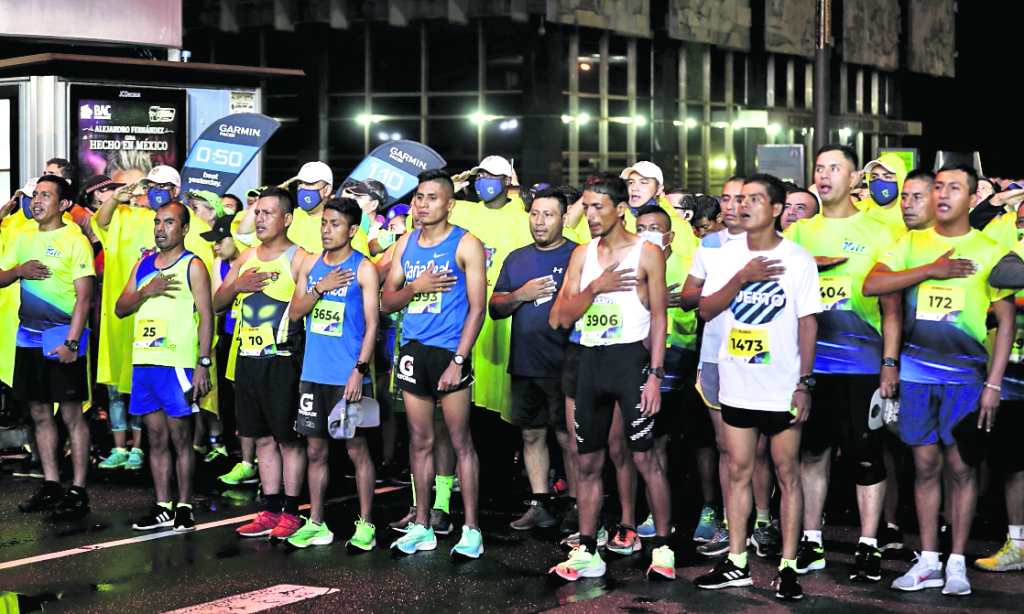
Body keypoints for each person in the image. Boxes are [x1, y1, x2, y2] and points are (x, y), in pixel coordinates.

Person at [863, 164, 1016, 596]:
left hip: (967, 378)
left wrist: (993, 384)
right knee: (925, 465)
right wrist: (931, 269)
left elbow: (1005, 322)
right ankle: (928, 559)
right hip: (915, 373)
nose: (944, 194)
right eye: (939, 187)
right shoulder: (911, 243)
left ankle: (956, 562)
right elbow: (874, 284)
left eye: (955, 188)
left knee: (960, 467)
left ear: (972, 198)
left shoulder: (989, 250)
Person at [693, 174, 821, 601]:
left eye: (755, 200)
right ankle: (737, 561)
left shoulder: (798, 259)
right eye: (740, 199)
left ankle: (787, 566)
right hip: (737, 383)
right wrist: (741, 278)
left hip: (781, 385)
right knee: (737, 472)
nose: (743, 206)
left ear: (777, 209)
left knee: (787, 472)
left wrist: (804, 383)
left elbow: (807, 323)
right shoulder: (726, 253)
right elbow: (706, 310)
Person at [548, 174, 675, 581]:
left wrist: (655, 374)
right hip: (589, 362)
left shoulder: (647, 252)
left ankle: (663, 547)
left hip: (630, 362)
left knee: (644, 458)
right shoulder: (582, 255)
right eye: (585, 207)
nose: (590, 215)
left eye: (598, 206)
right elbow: (558, 317)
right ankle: (588, 549)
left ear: (621, 209)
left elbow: (659, 318)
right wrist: (597, 287)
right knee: (586, 462)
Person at [784, 144, 900, 583]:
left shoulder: (879, 232)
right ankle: (811, 539)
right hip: (812, 364)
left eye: (836, 168)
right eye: (820, 167)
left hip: (863, 361)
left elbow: (892, 308)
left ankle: (868, 543)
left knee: (866, 454)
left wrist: (889, 363)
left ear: (855, 180)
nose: (826, 174)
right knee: (811, 453)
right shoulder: (798, 233)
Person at [381, 169, 487, 559]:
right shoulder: (406, 242)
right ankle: (422, 525)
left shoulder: (466, 244)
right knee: (420, 441)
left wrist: (459, 360)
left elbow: (479, 308)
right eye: (418, 198)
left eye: (430, 198)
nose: (421, 205)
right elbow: (386, 301)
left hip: (449, 352)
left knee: (460, 441)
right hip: (413, 351)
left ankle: (472, 529)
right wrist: (414, 288)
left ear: (449, 203)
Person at [682, 176, 777, 558]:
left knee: (759, 450)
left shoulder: (776, 245)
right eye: (726, 199)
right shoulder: (709, 244)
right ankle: (728, 522)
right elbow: (690, 297)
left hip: (762, 355)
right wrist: (723, 287)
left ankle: (765, 521)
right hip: (717, 356)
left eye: (742, 199)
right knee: (726, 447)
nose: (733, 206)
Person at [92, 165, 215, 454]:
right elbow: (101, 222)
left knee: (181, 424)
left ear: (176, 191)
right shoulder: (132, 217)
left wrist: (203, 356)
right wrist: (115, 198)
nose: (154, 192)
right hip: (140, 334)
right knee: (143, 407)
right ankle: (137, 454)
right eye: (150, 186)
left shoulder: (194, 227)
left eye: (161, 186)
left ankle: (188, 479)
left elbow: (205, 305)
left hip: (180, 343)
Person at [214, 187, 312, 541]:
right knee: (261, 439)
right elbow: (217, 302)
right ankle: (269, 509)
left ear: (287, 219)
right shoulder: (246, 257)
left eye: (268, 213)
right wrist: (238, 284)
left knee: (288, 439)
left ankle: (291, 511)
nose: (260, 218)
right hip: (248, 358)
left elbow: (311, 305)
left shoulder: (300, 258)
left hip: (282, 360)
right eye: (257, 212)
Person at [0, 175, 95, 520]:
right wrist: (18, 270)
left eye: (45, 196)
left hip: (62, 336)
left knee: (71, 414)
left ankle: (79, 489)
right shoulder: (22, 235)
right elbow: (0, 276)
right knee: (39, 412)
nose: (37, 201)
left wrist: (72, 341)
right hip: (28, 335)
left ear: (64, 204)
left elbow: (85, 298)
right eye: (35, 195)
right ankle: (52, 484)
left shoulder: (75, 240)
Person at [288, 198, 380, 550]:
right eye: (324, 223)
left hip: (348, 376)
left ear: (353, 230)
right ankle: (316, 523)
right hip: (314, 374)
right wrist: (319, 287)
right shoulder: (312, 265)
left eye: (335, 224)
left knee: (356, 450)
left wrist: (359, 370)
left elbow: (373, 325)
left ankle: (367, 524)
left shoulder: (364, 269)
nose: (326, 229)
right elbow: (296, 312)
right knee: (315, 452)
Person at [116, 202, 213, 533]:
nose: (160, 228)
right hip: (145, 361)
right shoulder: (143, 264)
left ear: (184, 229)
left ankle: (184, 505)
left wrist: (203, 362)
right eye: (158, 222)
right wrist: (147, 290)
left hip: (177, 363)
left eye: (169, 222)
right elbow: (120, 308)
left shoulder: (193, 265)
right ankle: (162, 505)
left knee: (180, 437)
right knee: (155, 438)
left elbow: (207, 316)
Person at [489, 188, 577, 531]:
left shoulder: (577, 255)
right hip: (525, 363)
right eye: (535, 214)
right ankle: (539, 503)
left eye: (548, 215)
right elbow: (496, 308)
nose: (539, 222)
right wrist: (519, 295)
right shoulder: (517, 258)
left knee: (568, 438)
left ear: (564, 218)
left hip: (565, 364)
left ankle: (575, 505)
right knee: (531, 434)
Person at [633, 204, 703, 542]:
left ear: (670, 234)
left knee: (691, 444)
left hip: (681, 360)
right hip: (641, 359)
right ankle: (654, 513)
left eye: (654, 227)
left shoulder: (688, 265)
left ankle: (704, 512)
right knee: (652, 441)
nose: (647, 233)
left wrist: (677, 303)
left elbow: (694, 308)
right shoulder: (631, 263)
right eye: (641, 226)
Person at [448, 155, 530, 423]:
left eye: (491, 176)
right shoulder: (463, 210)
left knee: (499, 397)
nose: (483, 182)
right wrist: (452, 185)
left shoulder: (521, 219)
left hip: (502, 315)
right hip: (463, 310)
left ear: (507, 181)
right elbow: (422, 210)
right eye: (480, 176)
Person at [975, 207, 1024, 573]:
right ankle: (1018, 545)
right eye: (1021, 220)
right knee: (1014, 464)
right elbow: (996, 271)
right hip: (1011, 372)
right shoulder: (1004, 240)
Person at [200, 213, 257, 485]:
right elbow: (215, 301)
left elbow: (245, 229)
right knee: (233, 397)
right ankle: (244, 457)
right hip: (228, 335)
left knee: (254, 398)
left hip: (254, 334)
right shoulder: (219, 263)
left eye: (220, 241)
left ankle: (257, 458)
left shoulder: (250, 255)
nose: (215, 246)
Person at [859, 154, 909, 236]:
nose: (878, 182)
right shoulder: (860, 209)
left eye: (887, 177)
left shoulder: (911, 215)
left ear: (900, 180)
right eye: (874, 176)